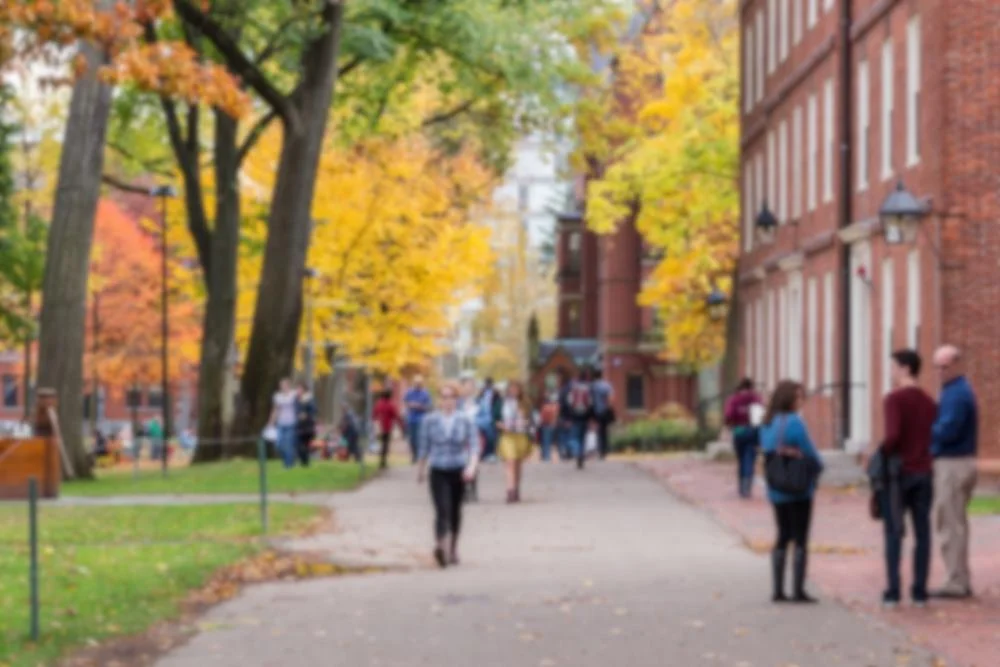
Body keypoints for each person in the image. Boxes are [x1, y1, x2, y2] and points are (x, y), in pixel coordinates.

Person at [867, 349, 937, 608]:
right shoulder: (930, 402)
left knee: (894, 532)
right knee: (923, 532)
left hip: (899, 474)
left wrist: (880, 452)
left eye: (894, 367)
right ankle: (920, 591)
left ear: (906, 368)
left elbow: (893, 435)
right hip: (924, 472)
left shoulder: (894, 399)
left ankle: (893, 591)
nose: (891, 372)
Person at [759, 380, 824, 604]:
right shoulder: (795, 422)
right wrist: (817, 468)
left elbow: (767, 451)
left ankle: (777, 590)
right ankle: (798, 590)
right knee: (800, 538)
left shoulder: (767, 423)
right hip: (799, 489)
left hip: (776, 489)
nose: (801, 401)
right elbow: (811, 454)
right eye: (798, 397)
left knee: (782, 535)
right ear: (788, 399)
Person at [930, 345, 978, 599]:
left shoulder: (957, 394)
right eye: (936, 366)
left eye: (945, 366)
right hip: (957, 461)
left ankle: (956, 581)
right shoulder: (953, 391)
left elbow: (947, 430)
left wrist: (926, 437)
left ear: (957, 365)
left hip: (953, 463)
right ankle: (958, 577)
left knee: (950, 522)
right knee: (954, 521)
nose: (940, 371)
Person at [417, 382, 480, 568]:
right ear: (439, 399)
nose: (447, 401)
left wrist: (471, 467)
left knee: (454, 511)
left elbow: (474, 446)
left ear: (457, 399)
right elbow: (423, 447)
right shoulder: (429, 420)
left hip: (458, 469)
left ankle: (452, 547)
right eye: (444, 397)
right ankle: (441, 547)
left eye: (451, 397)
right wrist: (420, 470)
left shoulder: (465, 419)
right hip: (438, 469)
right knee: (441, 509)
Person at [724, 378, 764, 498]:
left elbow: (728, 415)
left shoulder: (734, 399)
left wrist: (730, 426)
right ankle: (747, 486)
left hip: (739, 431)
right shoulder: (756, 399)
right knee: (750, 458)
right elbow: (760, 417)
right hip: (753, 432)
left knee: (741, 459)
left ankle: (742, 486)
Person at [498, 381, 534, 503]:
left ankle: (516, 488)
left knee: (517, 464)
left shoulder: (525, 403)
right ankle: (510, 491)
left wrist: (527, 424)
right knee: (510, 462)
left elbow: (532, 420)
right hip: (507, 436)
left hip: (521, 435)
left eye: (516, 388)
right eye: (511, 388)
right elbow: (494, 417)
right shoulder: (501, 402)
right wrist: (501, 425)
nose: (513, 391)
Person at [562, 368, 593, 470]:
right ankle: (581, 454)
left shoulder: (573, 388)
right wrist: (592, 418)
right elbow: (591, 403)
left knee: (574, 437)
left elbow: (568, 402)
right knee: (583, 437)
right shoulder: (588, 388)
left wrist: (567, 417)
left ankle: (578, 453)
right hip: (585, 415)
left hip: (574, 415)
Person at [458, 378, 483, 500]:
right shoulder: (457, 403)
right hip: (460, 437)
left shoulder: (480, 403)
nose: (468, 389)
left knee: (473, 462)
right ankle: (463, 489)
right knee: (462, 462)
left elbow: (487, 419)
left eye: (471, 386)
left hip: (476, 435)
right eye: (466, 386)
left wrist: (474, 423)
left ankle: (473, 488)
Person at [269, 378, 298, 469]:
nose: (283, 387)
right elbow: (275, 410)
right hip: (281, 423)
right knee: (279, 444)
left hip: (291, 422)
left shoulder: (293, 395)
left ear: (288, 386)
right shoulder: (278, 396)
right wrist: (271, 422)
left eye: (285, 385)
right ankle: (290, 459)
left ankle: (288, 465)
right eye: (281, 385)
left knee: (289, 444)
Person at [404, 376, 433, 463]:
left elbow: (429, 407)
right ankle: (414, 455)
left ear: (421, 384)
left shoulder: (425, 393)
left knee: (420, 438)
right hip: (411, 419)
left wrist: (420, 406)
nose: (417, 385)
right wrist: (410, 405)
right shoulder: (409, 392)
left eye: (419, 383)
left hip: (421, 419)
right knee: (412, 438)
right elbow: (405, 403)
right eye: (416, 383)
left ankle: (421, 456)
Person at [373, 390, 403, 469]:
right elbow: (395, 415)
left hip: (379, 426)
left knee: (381, 443)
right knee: (385, 444)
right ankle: (383, 460)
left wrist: (374, 422)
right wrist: (401, 424)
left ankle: (381, 459)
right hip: (387, 427)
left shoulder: (378, 403)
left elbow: (374, 414)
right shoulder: (390, 404)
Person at [476, 378, 503, 462]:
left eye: (489, 384)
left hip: (493, 419)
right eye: (487, 384)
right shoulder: (481, 394)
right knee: (485, 437)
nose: (488, 386)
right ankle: (485, 454)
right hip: (483, 420)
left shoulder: (496, 394)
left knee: (492, 437)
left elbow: (499, 404)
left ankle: (491, 453)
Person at [591, 370, 615, 459]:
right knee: (604, 431)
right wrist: (609, 407)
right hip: (605, 411)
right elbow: (611, 398)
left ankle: (600, 450)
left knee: (599, 431)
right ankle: (604, 451)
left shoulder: (593, 386)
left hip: (596, 411)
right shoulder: (606, 385)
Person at [295, 381, 317, 467]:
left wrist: (306, 415)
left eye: (299, 389)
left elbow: (314, 410)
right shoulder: (297, 399)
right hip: (299, 425)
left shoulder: (309, 399)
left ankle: (305, 462)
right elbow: (295, 410)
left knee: (305, 444)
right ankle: (303, 462)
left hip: (307, 426)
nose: (298, 390)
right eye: (297, 389)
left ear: (304, 389)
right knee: (299, 444)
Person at [538, 395, 559, 462]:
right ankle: (547, 456)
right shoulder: (555, 407)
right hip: (552, 426)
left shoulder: (545, 407)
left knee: (545, 441)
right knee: (549, 442)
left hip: (545, 425)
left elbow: (542, 418)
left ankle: (546, 456)